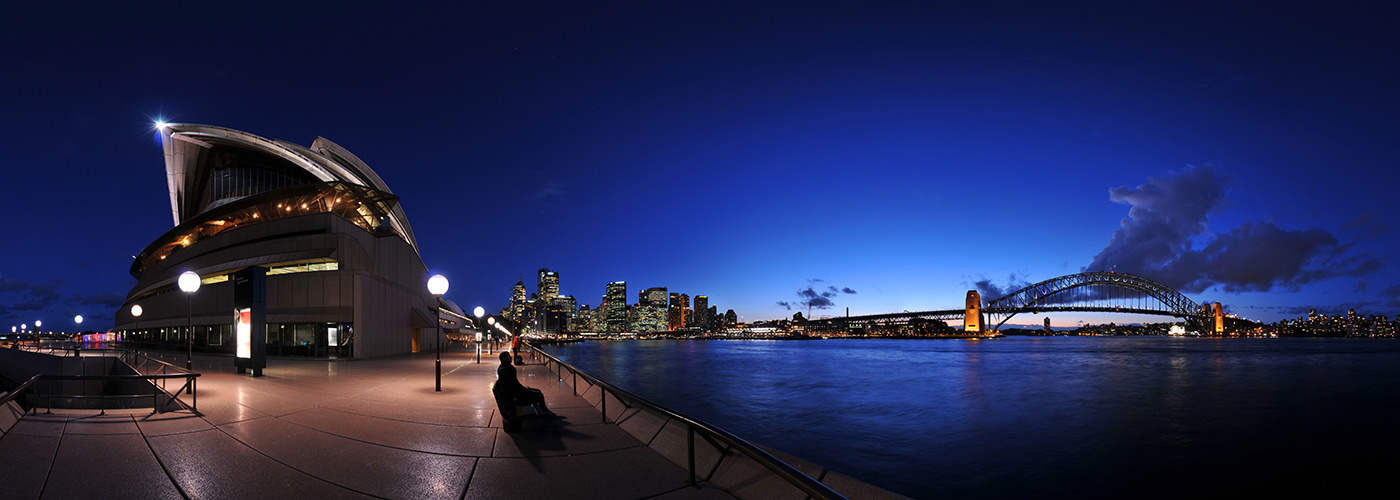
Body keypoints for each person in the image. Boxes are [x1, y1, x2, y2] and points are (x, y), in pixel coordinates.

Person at [494, 351, 556, 420]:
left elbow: (512, 384)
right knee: (539, 394)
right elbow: (511, 386)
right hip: (516, 394)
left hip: (516, 392)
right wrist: (518, 393)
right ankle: (544, 411)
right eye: (508, 356)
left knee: (537, 391)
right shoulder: (506, 369)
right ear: (504, 358)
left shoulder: (502, 367)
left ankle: (540, 410)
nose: (511, 357)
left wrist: (523, 388)